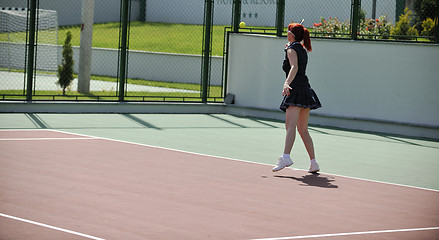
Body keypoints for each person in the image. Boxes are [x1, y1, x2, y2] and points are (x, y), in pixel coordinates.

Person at [272, 23, 322, 173]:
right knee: (303, 129)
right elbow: (295, 63)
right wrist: (288, 49)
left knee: (290, 126)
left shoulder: (292, 49)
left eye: (288, 31)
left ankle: (286, 156)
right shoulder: (300, 49)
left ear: (292, 35)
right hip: (305, 89)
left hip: (296, 89)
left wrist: (286, 83)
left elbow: (294, 67)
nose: (286, 33)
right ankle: (314, 163)